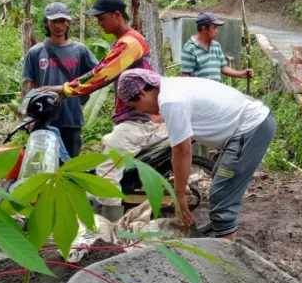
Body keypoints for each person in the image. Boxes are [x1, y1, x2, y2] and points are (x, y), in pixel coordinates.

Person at [38, 0, 167, 223]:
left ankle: (111, 231)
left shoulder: (131, 42)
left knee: (106, 172)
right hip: (133, 118)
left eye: (101, 18)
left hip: (137, 119)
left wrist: (63, 89)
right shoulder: (122, 42)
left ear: (117, 16)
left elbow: (100, 75)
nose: (99, 23)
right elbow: (100, 70)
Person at [118, 69, 276, 241]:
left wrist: (179, 194)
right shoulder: (172, 86)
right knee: (221, 183)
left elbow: (182, 150)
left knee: (222, 196)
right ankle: (225, 246)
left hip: (250, 128)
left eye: (135, 106)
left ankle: (226, 258)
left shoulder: (170, 101)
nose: (142, 111)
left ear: (142, 94)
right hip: (251, 124)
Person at [21, 2, 98, 158]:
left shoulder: (80, 50)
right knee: (42, 165)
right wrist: (28, 117)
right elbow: (30, 85)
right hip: (43, 119)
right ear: (46, 23)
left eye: (62, 21)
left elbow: (97, 76)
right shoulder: (36, 52)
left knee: (70, 167)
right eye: (54, 21)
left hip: (71, 117)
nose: (58, 25)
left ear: (68, 23)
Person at [181, 12, 254, 81]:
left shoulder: (216, 45)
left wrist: (241, 74)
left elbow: (223, 67)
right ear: (204, 29)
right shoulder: (190, 48)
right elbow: (185, 76)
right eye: (214, 27)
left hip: (216, 92)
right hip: (199, 93)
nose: (217, 31)